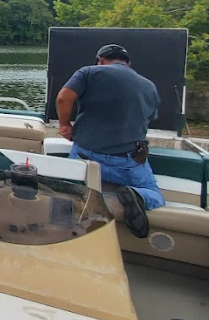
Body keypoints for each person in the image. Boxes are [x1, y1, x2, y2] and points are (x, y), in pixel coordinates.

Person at [55, 43, 163, 238]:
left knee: (65, 190)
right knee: (154, 193)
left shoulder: (88, 72)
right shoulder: (149, 86)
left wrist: (65, 125)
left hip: (85, 157)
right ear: (128, 64)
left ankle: (63, 224)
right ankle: (138, 195)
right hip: (127, 162)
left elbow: (63, 98)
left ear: (100, 60)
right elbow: (145, 122)